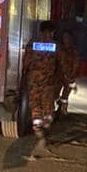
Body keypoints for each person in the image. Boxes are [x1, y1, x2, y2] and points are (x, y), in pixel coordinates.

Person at [22, 20, 63, 158]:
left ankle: (39, 133)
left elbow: (26, 63)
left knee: (35, 109)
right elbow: (62, 65)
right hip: (49, 84)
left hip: (34, 83)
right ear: (52, 32)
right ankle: (45, 130)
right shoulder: (56, 46)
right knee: (48, 110)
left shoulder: (32, 44)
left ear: (40, 31)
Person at [55, 28, 80, 116]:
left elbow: (75, 66)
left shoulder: (74, 52)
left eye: (67, 37)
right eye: (64, 37)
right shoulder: (59, 49)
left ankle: (62, 109)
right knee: (55, 94)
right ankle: (59, 105)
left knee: (65, 96)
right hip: (58, 77)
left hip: (67, 78)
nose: (65, 39)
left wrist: (71, 80)